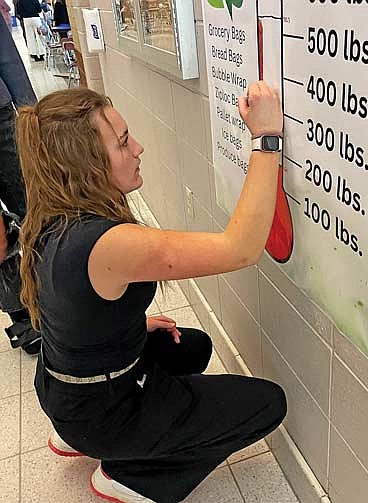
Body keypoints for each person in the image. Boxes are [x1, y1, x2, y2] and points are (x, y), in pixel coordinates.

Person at [16, 81, 286, 503]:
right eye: (123, 143)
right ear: (87, 166)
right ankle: (131, 476)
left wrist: (130, 323)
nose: (138, 147)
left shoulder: (51, 215)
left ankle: (83, 435)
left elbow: (67, 305)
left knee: (193, 347)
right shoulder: (104, 243)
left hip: (63, 389)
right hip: (99, 411)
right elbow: (241, 249)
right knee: (267, 404)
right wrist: (266, 137)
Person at [0, 14, 41, 354]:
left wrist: (31, 114)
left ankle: (58, 298)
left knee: (32, 207)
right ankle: (21, 317)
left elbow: (5, 51)